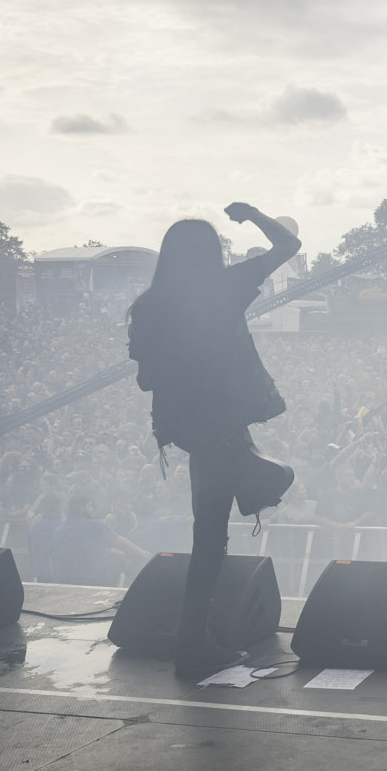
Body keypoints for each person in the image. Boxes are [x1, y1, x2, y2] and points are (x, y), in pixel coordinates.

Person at [127, 203, 301, 680]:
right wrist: (255, 214)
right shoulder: (223, 289)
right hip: (223, 425)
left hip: (189, 429)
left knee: (210, 532)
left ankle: (195, 640)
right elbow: (288, 245)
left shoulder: (148, 308)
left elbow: (145, 381)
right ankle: (193, 645)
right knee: (213, 534)